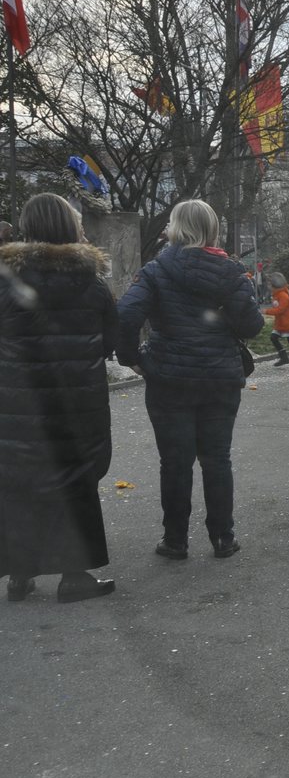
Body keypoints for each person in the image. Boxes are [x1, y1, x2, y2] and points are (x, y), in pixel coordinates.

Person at [117, 198, 265, 555]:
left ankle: (175, 539)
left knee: (175, 462)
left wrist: (132, 358)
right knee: (217, 458)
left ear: (175, 228)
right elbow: (252, 325)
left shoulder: (155, 271)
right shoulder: (231, 273)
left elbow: (124, 315)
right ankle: (223, 537)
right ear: (211, 229)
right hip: (219, 378)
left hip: (169, 378)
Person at [0, 194, 118, 602]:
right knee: (75, 484)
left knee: (18, 483)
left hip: (16, 404)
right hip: (75, 404)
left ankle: (20, 574)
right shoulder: (91, 281)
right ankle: (74, 576)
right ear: (71, 228)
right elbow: (109, 342)